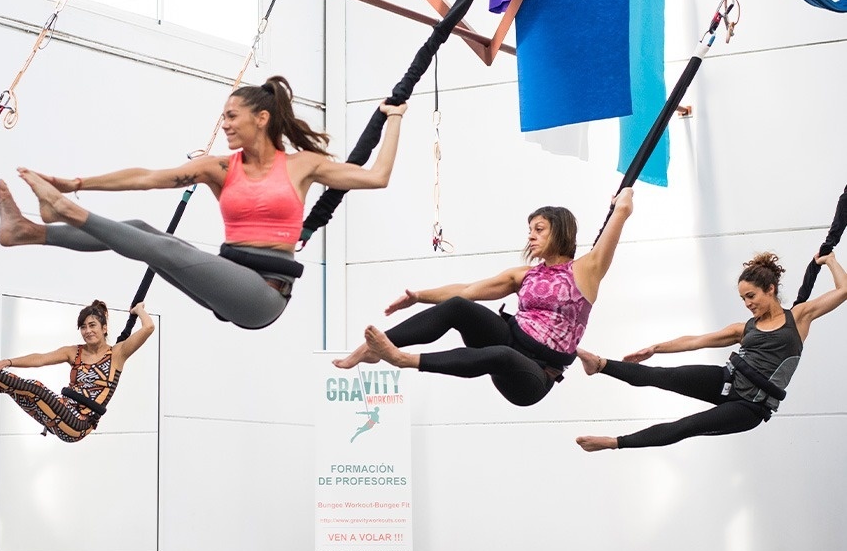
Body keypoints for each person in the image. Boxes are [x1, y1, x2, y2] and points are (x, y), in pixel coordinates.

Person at [0, 75, 407, 329]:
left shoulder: (302, 166)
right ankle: (30, 231)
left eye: (232, 116)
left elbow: (377, 177)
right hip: (228, 281)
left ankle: (70, 215)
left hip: (264, 296)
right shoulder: (219, 168)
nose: (224, 124)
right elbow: (147, 177)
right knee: (142, 230)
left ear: (261, 119)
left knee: (164, 246)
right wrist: (76, 182)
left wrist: (394, 120)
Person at [333, 190, 634, 407]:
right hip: (510, 339)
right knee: (459, 307)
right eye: (529, 230)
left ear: (561, 232)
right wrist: (420, 297)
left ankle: (403, 360)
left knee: (502, 356)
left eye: (539, 229)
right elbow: (466, 290)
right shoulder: (524, 275)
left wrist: (621, 205)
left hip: (533, 375)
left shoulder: (587, 270)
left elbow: (618, 221)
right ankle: (371, 350)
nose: (530, 236)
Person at [575, 251, 847, 451]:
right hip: (726, 381)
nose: (747, 304)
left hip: (749, 407)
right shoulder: (744, 328)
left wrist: (831, 260)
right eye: (743, 299)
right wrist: (656, 348)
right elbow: (697, 340)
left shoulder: (798, 318)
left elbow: (843, 289)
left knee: (687, 426)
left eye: (751, 296)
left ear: (771, 289)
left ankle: (614, 442)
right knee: (662, 376)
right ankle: (599, 365)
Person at [0, 301, 155, 442]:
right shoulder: (74, 352)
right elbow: (40, 359)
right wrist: (7, 362)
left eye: (92, 325)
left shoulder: (117, 353)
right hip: (56, 416)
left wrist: (139, 311)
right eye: (83, 327)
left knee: (35, 387)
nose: (87, 331)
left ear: (104, 328)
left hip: (78, 425)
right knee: (11, 388)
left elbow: (148, 328)